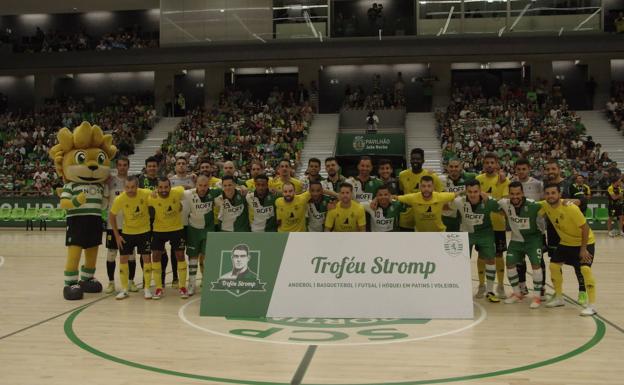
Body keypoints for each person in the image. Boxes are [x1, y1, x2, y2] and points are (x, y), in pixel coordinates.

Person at [539, 184, 597, 316]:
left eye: (553, 193)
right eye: (547, 193)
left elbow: (585, 228)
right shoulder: (545, 205)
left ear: (560, 194)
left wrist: (583, 249)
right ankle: (559, 298)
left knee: (585, 269)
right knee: (554, 266)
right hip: (566, 242)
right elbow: (528, 204)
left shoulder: (570, 208)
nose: (550, 196)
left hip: (585, 241)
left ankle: (592, 306)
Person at [544, 159, 588, 304]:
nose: (551, 172)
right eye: (548, 169)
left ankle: (583, 291)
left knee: (577, 263)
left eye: (553, 169)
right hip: (553, 230)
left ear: (559, 170)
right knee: (556, 263)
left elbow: (583, 199)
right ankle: (558, 294)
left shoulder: (570, 184)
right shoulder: (546, 186)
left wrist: (574, 201)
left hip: (571, 231)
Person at [451, 179, 502, 302]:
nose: (473, 194)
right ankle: (461, 289)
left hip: (485, 233)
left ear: (480, 191)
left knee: (490, 259)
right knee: (461, 262)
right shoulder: (459, 201)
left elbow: (503, 209)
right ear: (466, 192)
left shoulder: (488, 201)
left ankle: (489, 290)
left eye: (475, 191)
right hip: (466, 233)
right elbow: (444, 205)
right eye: (470, 191)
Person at [498, 182, 545, 308]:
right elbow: (490, 201)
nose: (515, 196)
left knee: (536, 265)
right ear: (509, 194)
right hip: (516, 240)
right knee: (509, 263)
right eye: (512, 194)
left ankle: (537, 297)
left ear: (522, 193)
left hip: (533, 240)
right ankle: (517, 294)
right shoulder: (504, 203)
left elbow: (552, 205)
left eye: (518, 194)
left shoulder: (533, 205)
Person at [109, 176, 152, 300]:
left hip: (144, 232)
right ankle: (124, 289)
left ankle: (147, 288)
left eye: (133, 187)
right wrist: (117, 236)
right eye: (127, 187)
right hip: (127, 233)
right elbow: (112, 216)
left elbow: (158, 195)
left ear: (137, 186)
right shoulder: (120, 198)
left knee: (146, 259)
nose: (130, 190)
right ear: (124, 187)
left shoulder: (145, 194)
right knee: (123, 259)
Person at [147, 177, 188, 299]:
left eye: (166, 187)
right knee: (155, 257)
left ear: (170, 186)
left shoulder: (177, 192)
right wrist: (151, 193)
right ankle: (159, 288)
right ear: (157, 188)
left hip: (176, 229)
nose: (163, 190)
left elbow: (188, 188)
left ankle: (182, 286)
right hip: (159, 230)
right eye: (160, 187)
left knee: (180, 256)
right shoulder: (152, 198)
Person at [476, 152, 510, 299]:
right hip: (482, 226)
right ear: (483, 164)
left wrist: (488, 199)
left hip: (498, 225)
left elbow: (505, 201)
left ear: (497, 164)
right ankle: (482, 285)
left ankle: (501, 285)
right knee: (482, 255)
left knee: (498, 255)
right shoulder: (477, 179)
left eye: (492, 162)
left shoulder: (504, 181)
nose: (489, 165)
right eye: (487, 162)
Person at [512, 158, 546, 297]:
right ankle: (522, 286)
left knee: (539, 260)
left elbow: (545, 203)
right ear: (515, 170)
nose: (521, 172)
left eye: (524, 169)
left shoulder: (538, 184)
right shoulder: (512, 184)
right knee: (519, 259)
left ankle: (542, 287)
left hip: (537, 229)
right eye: (519, 169)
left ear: (529, 169)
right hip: (519, 229)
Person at [184, 173, 222, 295]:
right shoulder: (188, 193)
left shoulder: (214, 193)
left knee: (207, 257)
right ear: (196, 185)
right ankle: (192, 283)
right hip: (193, 230)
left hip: (208, 229)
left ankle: (206, 281)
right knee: (193, 258)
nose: (203, 188)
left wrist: (242, 188)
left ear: (208, 185)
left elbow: (229, 187)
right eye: (200, 185)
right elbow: (173, 190)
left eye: (205, 185)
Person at [104, 157, 135, 295]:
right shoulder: (110, 182)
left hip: (130, 225)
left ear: (128, 166)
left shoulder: (133, 182)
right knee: (111, 254)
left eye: (125, 165)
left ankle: (130, 282)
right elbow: (105, 202)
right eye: (120, 165)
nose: (122, 167)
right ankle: (111, 283)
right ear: (117, 166)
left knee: (130, 255)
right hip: (113, 225)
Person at [399, 148, 443, 231]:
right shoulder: (402, 175)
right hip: (407, 217)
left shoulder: (432, 176)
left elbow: (441, 194)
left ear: (423, 161)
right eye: (413, 159)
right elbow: (401, 192)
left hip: (426, 218)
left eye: (418, 159)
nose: (415, 161)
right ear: (410, 160)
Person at [442, 158, 477, 232]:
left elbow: (483, 177)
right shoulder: (441, 180)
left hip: (463, 218)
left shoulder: (470, 177)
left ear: (461, 167)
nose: (453, 169)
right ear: (447, 168)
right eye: (451, 166)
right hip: (447, 218)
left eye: (456, 166)